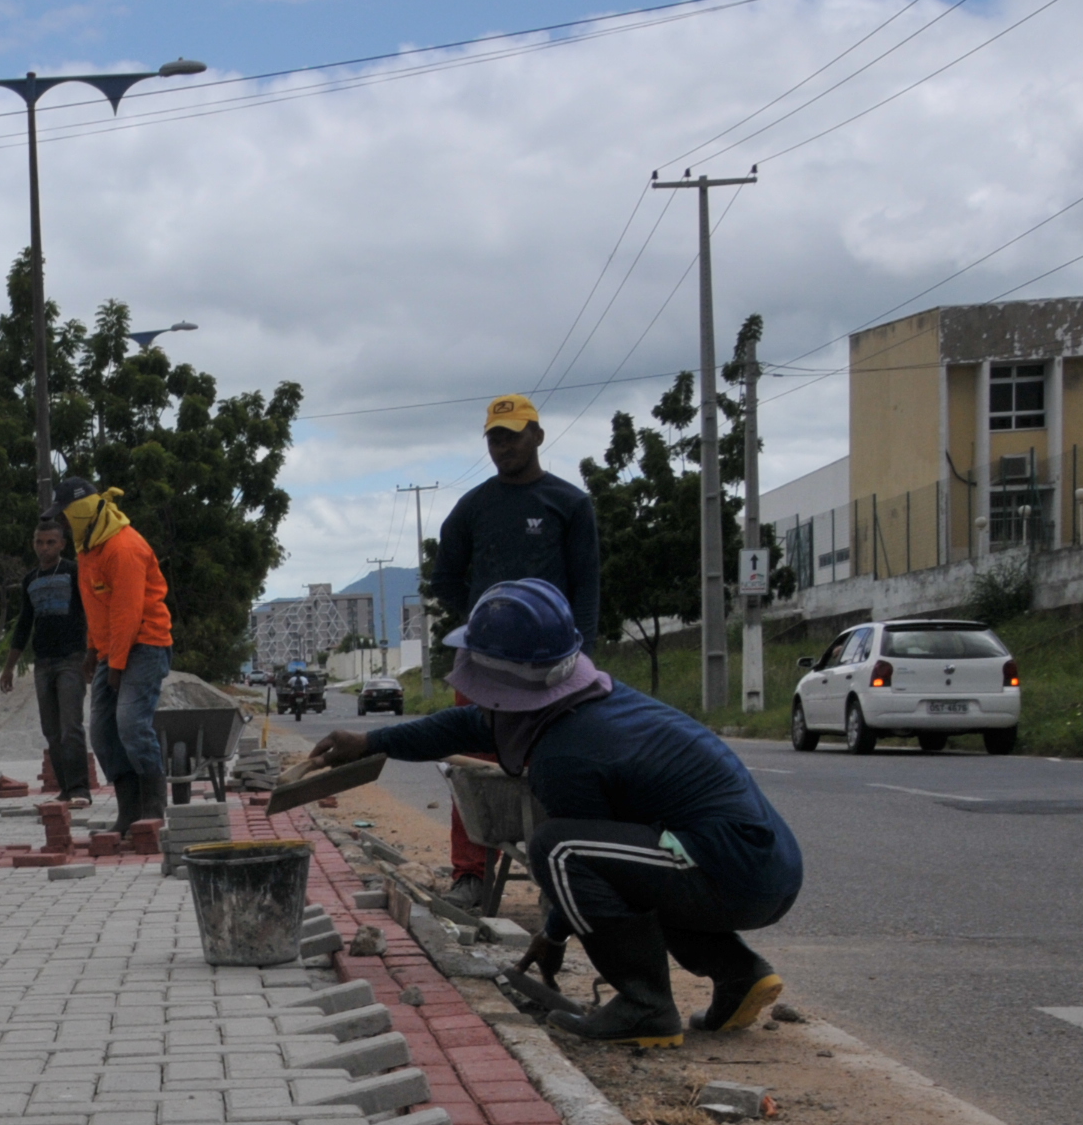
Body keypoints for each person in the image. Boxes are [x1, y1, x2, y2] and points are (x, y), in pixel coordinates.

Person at [306, 579, 799, 1046]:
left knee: (556, 849)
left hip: (731, 872)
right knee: (636, 868)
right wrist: (371, 742)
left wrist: (555, 933)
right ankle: (741, 976)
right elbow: (460, 727)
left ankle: (645, 1006)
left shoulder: (568, 754)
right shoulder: (582, 703)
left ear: (497, 677)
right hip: (759, 865)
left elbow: (583, 864)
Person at [433, 394, 602, 895]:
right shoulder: (475, 507)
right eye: (494, 437)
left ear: (537, 436)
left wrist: (584, 654)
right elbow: (444, 577)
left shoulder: (569, 504)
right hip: (483, 662)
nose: (502, 446)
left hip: (556, 662)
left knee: (563, 761)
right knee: (475, 762)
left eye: (512, 434)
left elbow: (586, 584)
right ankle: (471, 874)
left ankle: (570, 876)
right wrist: (482, 622)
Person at [58, 476, 173, 835]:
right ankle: (129, 813)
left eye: (63, 515)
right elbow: (98, 608)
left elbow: (127, 612)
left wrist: (117, 666)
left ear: (79, 512)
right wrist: (94, 649)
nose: (59, 523)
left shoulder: (123, 548)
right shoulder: (87, 549)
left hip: (145, 644)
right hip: (113, 649)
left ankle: (153, 811)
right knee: (103, 734)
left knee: (131, 724)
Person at [9, 516, 93, 802]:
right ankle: (66, 790)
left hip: (71, 659)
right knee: (51, 730)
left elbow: (90, 613)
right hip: (42, 663)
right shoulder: (30, 580)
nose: (43, 547)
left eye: (50, 542)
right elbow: (24, 623)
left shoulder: (73, 572)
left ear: (62, 544)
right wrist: (9, 666)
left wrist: (93, 655)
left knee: (71, 726)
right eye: (39, 542)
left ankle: (81, 788)